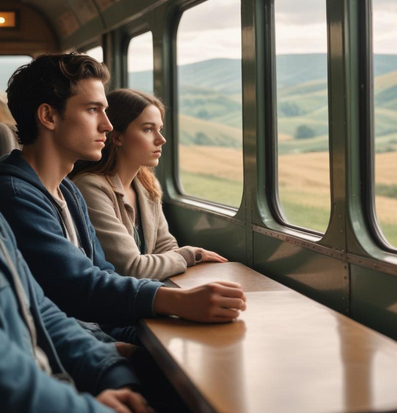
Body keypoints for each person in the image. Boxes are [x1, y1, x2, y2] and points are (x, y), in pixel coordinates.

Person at [0, 54, 246, 343]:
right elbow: (79, 287)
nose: (106, 124)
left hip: (96, 335)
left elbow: (102, 273)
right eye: (93, 110)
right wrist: (177, 303)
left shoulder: (68, 191)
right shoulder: (16, 195)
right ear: (48, 116)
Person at [0, 212, 152, 413]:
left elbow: (41, 311)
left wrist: (111, 371)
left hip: (58, 382)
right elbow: (11, 384)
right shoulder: (16, 193)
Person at [71, 89, 227, 280]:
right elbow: (131, 268)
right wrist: (190, 255)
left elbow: (166, 247)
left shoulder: (146, 185)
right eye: (147, 129)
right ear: (118, 137)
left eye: (159, 129)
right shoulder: (90, 187)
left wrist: (177, 259)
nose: (161, 139)